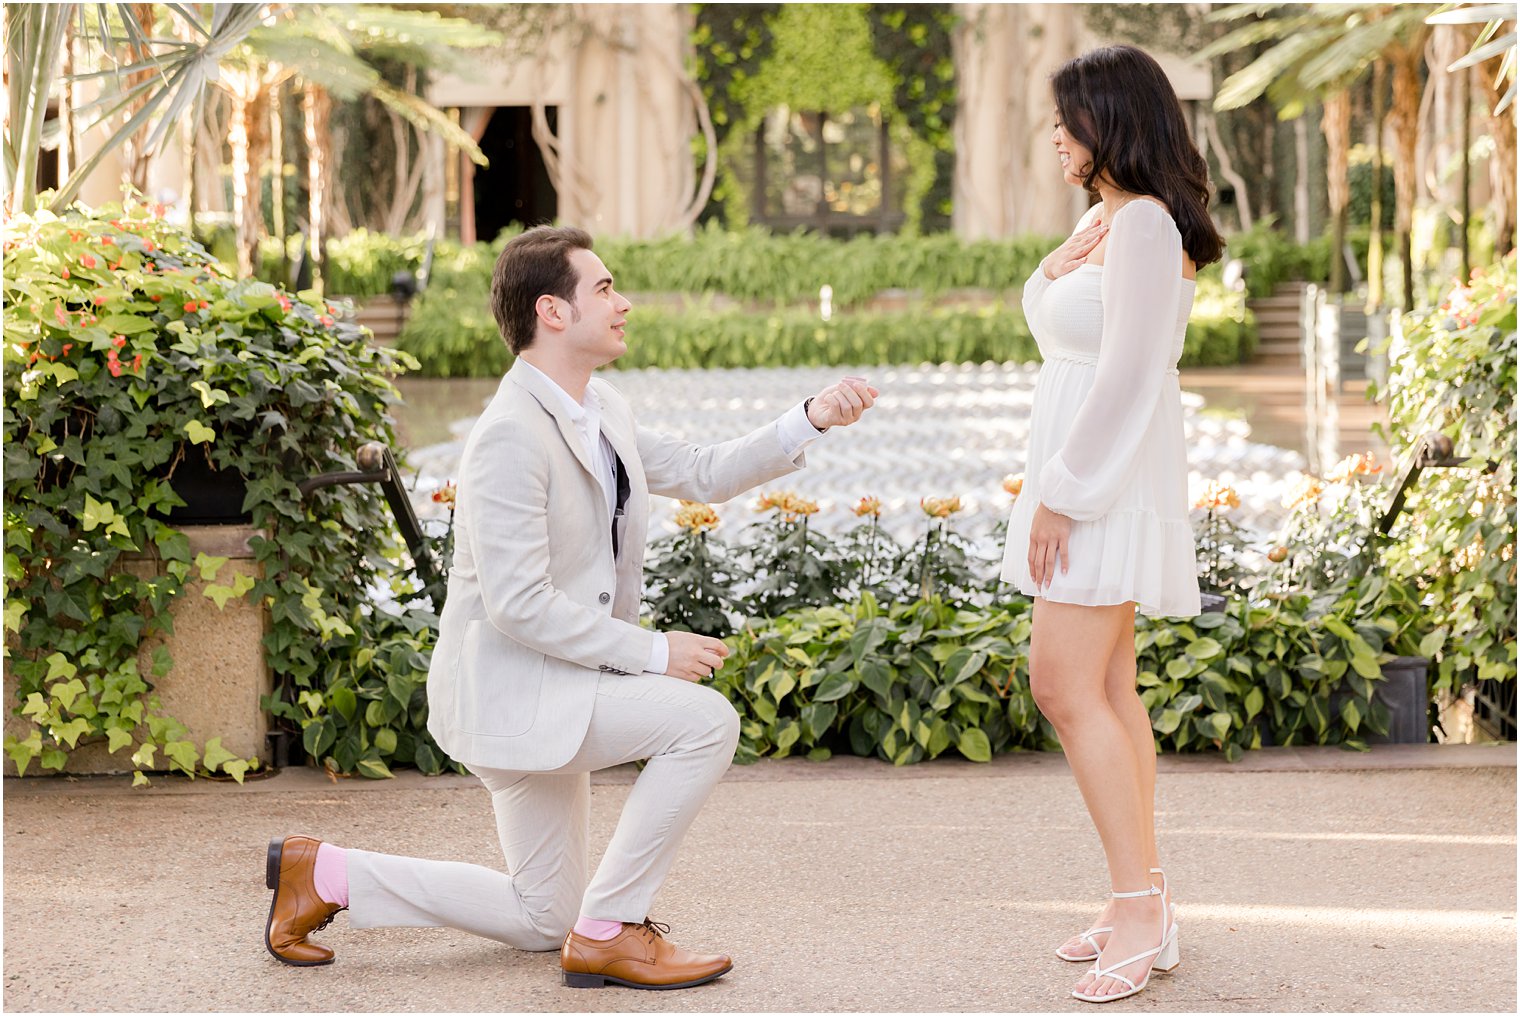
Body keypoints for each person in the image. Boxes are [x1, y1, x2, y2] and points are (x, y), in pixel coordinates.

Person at [263, 226, 878, 990]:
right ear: (552, 312)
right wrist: (654, 652)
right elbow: (520, 604)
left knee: (541, 916)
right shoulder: (507, 438)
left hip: (559, 688)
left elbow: (699, 469)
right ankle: (614, 928)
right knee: (704, 723)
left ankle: (325, 874)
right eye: (606, 289)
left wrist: (809, 417)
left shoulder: (601, 408)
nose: (624, 304)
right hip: (515, 694)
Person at [999, 45, 1224, 1003]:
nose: (1055, 135)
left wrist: (1064, 491)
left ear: (1109, 122)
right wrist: (1056, 262)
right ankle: (1147, 897)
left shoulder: (1138, 227)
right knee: (1110, 687)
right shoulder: (1114, 220)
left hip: (1098, 477)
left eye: (1066, 120)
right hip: (1095, 472)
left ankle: (1137, 905)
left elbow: (1131, 371)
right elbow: (1074, 333)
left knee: (1063, 687)